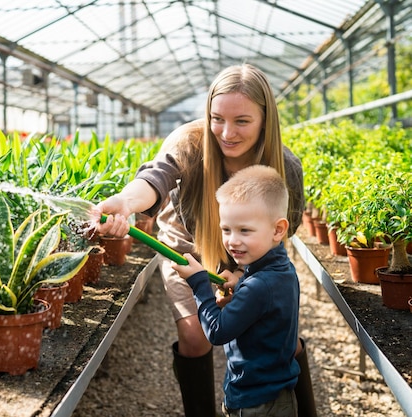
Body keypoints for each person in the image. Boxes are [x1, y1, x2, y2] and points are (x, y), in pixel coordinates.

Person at [94, 63, 316, 417]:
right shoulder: (189, 143)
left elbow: (284, 232)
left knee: (280, 344)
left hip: (252, 258)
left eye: (242, 121)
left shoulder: (285, 165)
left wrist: (248, 279)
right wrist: (125, 202)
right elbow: (156, 177)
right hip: (188, 252)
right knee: (196, 337)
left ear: (265, 119)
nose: (227, 133)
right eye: (217, 118)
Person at [172, 164, 300, 416]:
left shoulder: (259, 286)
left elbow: (217, 332)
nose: (232, 240)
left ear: (278, 229)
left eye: (245, 230)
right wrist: (240, 283)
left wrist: (199, 283)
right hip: (275, 397)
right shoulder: (281, 270)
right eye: (226, 229)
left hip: (256, 404)